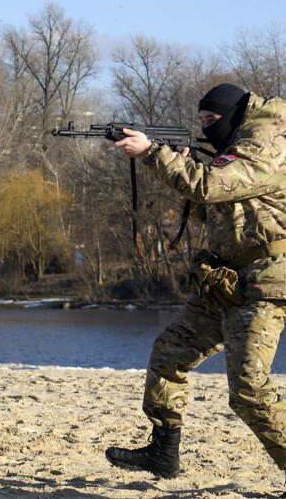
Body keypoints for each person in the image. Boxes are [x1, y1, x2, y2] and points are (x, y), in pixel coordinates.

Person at [105, 83, 286, 478]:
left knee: (249, 392)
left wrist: (154, 154)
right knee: (169, 354)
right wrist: (179, 168)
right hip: (226, 280)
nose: (206, 130)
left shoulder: (267, 145)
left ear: (236, 116)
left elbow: (210, 185)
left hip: (266, 282)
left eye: (212, 121)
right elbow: (213, 210)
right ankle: (163, 451)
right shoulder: (237, 149)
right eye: (201, 122)